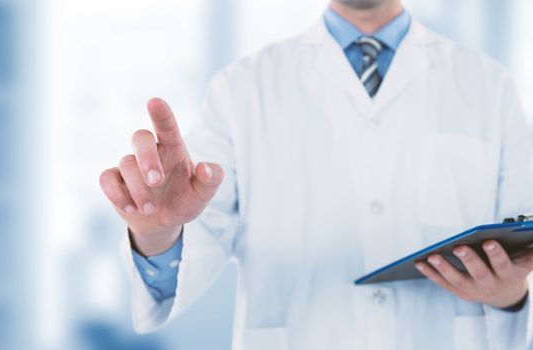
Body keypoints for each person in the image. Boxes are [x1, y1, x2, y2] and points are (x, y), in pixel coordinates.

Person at [98, 0, 533, 348]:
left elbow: (522, 236)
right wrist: (158, 235)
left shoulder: (489, 85)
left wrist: (511, 297)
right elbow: (197, 239)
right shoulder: (241, 88)